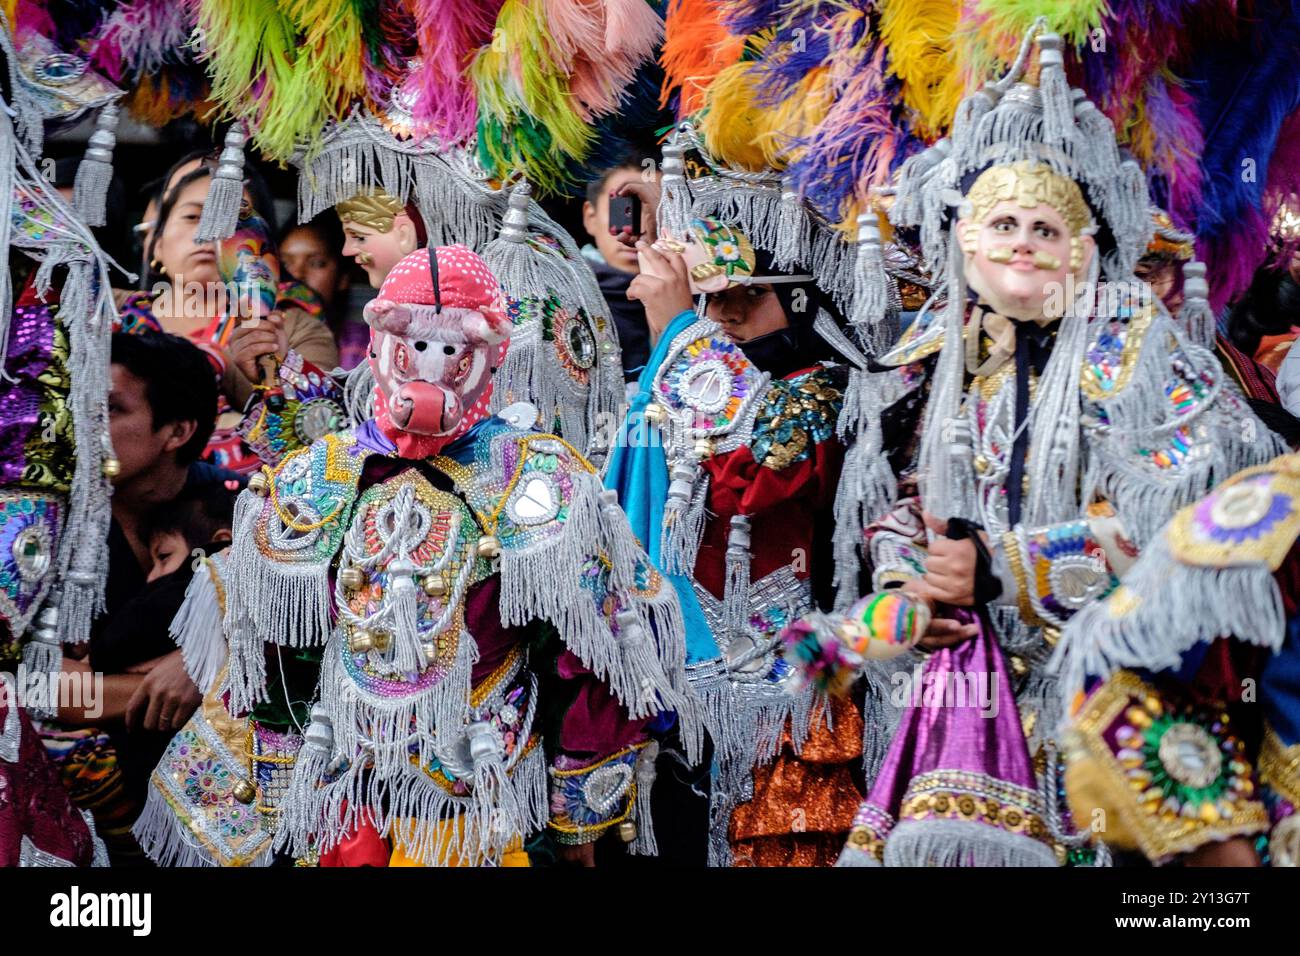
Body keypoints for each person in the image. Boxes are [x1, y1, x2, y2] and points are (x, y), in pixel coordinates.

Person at [815, 24, 1283, 867]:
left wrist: (1008, 566)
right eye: (1003, 222)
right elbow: (899, 505)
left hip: (1112, 700)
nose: (1023, 241)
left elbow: (1203, 518)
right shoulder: (941, 360)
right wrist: (913, 588)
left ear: (1087, 251)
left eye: (1046, 226)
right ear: (962, 240)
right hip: (963, 703)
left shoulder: (1137, 349)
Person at [142, 245, 700, 868]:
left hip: (489, 807)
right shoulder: (314, 477)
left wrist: (577, 822)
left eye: (453, 348)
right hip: (345, 804)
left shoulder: (539, 479)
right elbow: (279, 655)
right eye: (416, 343)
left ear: (489, 356)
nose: (431, 370)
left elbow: (588, 655)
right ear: (381, 343)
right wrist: (283, 799)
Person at [604, 146, 864, 865]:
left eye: (743, 298)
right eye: (710, 301)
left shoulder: (824, 391)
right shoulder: (698, 378)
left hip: (781, 691)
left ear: (802, 297)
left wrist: (678, 333)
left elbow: (752, 476)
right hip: (682, 686)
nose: (722, 318)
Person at [116, 163, 338, 472]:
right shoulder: (107, 315)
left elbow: (326, 438)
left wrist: (274, 374)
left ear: (267, 250)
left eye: (232, 220)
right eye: (193, 216)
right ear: (156, 242)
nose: (210, 232)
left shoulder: (293, 330)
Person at [581, 155, 657, 383]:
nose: (640, 228)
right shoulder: (565, 293)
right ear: (590, 217)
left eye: (655, 211)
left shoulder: (700, 300)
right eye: (625, 208)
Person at [279, 215, 361, 367]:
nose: (297, 274)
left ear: (343, 277)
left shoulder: (368, 349)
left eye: (316, 263)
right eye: (285, 263)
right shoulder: (263, 336)